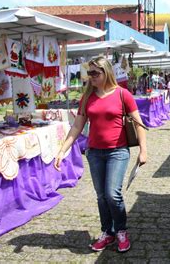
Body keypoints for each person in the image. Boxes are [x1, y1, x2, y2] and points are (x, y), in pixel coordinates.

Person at [54, 56, 147, 253]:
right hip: (94, 153)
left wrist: (143, 151)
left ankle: (121, 230)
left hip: (118, 151)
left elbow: (139, 124)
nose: (91, 77)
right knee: (102, 196)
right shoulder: (87, 97)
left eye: (95, 73)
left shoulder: (123, 94)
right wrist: (63, 150)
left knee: (113, 194)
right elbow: (77, 126)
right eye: (89, 73)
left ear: (107, 73)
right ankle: (108, 232)